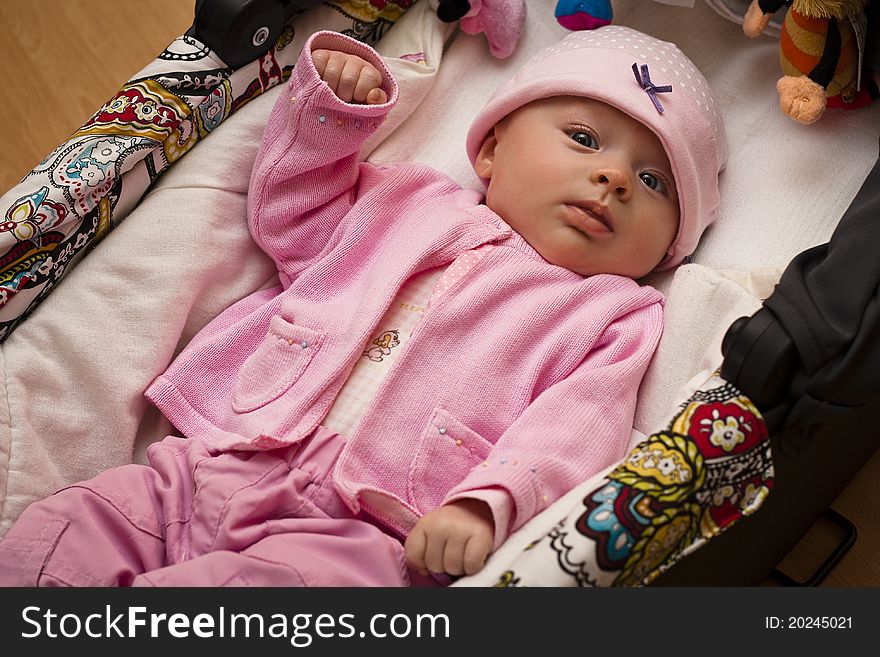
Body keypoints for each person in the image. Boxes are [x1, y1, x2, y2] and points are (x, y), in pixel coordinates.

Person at [0, 25, 725, 587]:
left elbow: (574, 430)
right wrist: (331, 117)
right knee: (58, 537)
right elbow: (293, 220)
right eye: (585, 138)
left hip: (363, 535)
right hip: (210, 460)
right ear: (492, 149)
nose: (613, 178)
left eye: (655, 181)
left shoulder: (611, 314)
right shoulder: (407, 198)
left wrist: (487, 502)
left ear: (671, 248)